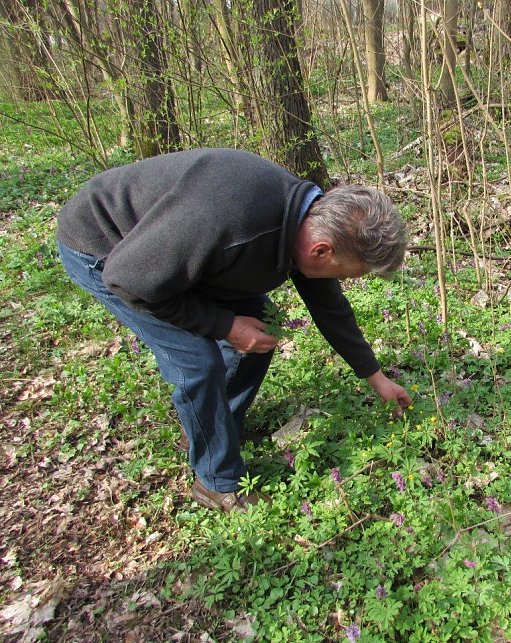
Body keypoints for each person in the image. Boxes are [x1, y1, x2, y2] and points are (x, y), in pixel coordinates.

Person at [56, 148, 412, 513]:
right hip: (107, 247)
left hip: (175, 252)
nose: (343, 281)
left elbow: (329, 308)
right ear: (321, 251)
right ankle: (216, 482)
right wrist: (224, 325)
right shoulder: (231, 221)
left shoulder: (304, 219)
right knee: (197, 360)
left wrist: (376, 377)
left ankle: (214, 428)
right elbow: (129, 280)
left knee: (260, 325)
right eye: (347, 273)